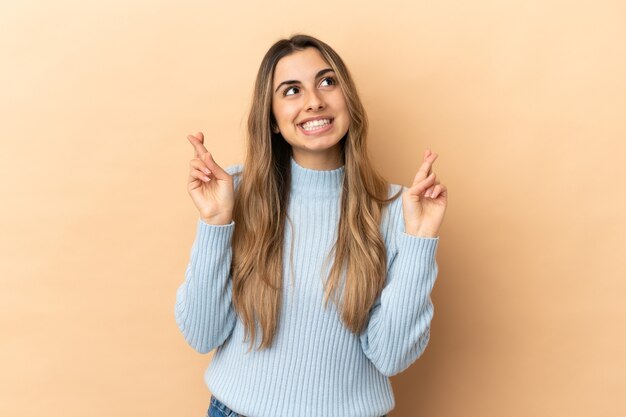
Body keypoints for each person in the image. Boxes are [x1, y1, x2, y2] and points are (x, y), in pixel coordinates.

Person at [175, 34, 448, 417]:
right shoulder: (234, 193)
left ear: (347, 98)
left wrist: (419, 240)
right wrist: (216, 222)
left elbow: (392, 356)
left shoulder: (399, 208)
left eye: (327, 81)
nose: (314, 101)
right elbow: (202, 333)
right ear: (271, 118)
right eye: (291, 90)